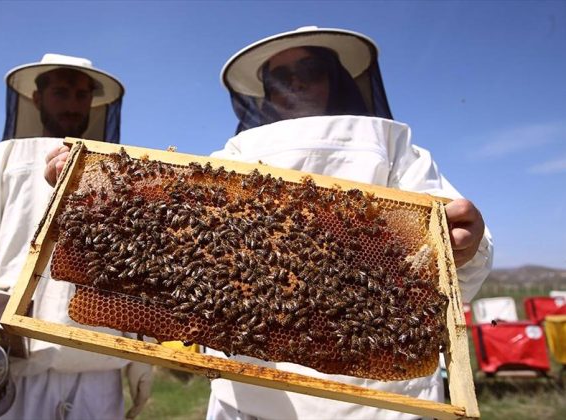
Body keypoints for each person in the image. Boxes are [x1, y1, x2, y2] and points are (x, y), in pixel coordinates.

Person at [203, 26, 492, 419]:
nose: (295, 83)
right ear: (266, 92)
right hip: (251, 391)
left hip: (384, 398)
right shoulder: (226, 162)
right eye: (280, 77)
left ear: (334, 79)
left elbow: (456, 266)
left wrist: (465, 245)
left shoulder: (397, 153)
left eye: (310, 70)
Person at [0, 53, 152, 420]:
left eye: (81, 95)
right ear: (37, 99)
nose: (72, 103)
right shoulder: (7, 155)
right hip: (8, 363)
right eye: (61, 92)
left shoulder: (122, 169)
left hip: (97, 366)